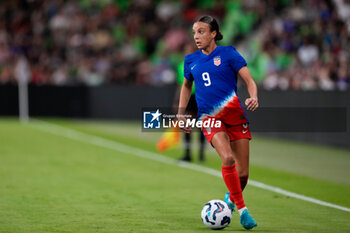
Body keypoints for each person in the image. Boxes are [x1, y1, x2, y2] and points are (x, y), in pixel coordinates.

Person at [177, 16, 258, 230]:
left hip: (235, 117)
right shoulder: (190, 60)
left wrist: (254, 96)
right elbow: (186, 86)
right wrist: (180, 113)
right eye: (194, 32)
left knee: (243, 174)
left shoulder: (229, 53)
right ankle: (243, 211)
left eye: (201, 31)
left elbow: (249, 80)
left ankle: (230, 200)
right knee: (228, 158)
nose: (196, 36)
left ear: (213, 34)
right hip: (209, 118)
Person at [174, 44, 205, 162]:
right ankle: (188, 154)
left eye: (189, 50)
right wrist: (177, 101)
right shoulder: (181, 66)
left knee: (201, 125)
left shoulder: (200, 64)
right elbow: (180, 85)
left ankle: (201, 154)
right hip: (187, 98)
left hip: (199, 97)